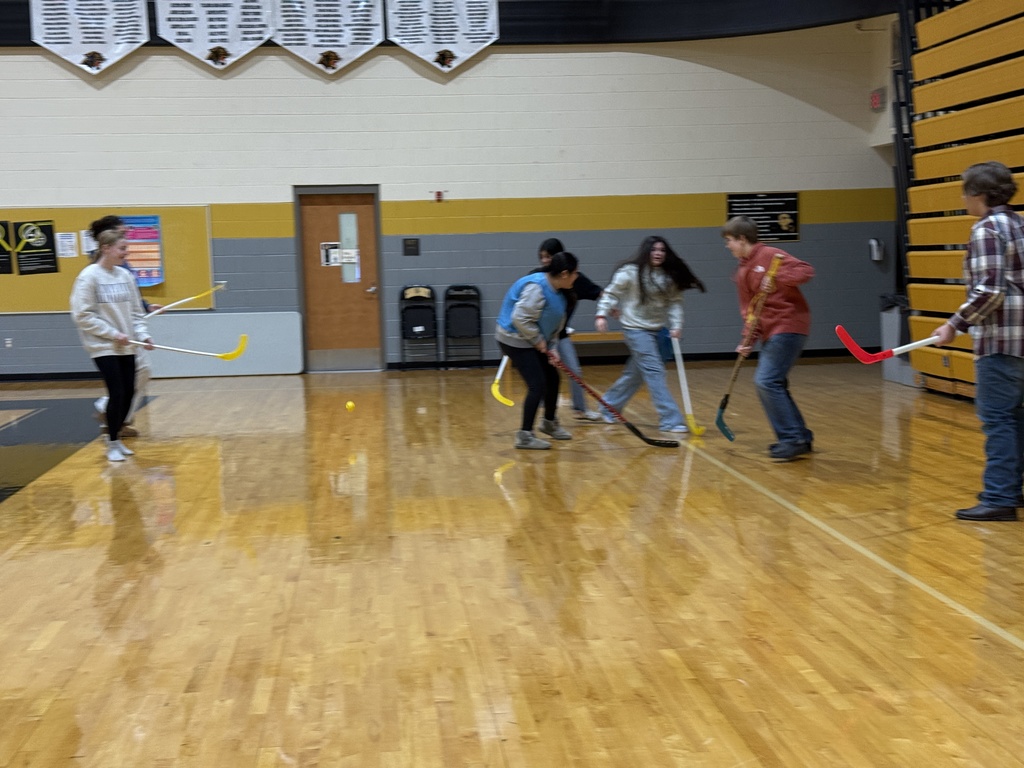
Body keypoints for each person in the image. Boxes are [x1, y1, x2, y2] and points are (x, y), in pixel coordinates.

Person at [931, 161, 1024, 522]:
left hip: (1000, 340)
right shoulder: (1019, 223)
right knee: (1016, 419)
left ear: (979, 195)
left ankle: (999, 496)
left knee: (998, 419)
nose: (962, 197)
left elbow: (991, 289)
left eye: (965, 190)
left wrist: (955, 324)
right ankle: (1012, 489)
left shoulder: (987, 228)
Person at [723, 215, 815, 461]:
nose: (727, 246)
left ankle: (791, 438)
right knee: (776, 383)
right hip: (770, 330)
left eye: (729, 240)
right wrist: (747, 341)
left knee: (766, 381)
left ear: (743, 239)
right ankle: (801, 436)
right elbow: (750, 312)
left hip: (788, 325)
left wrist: (778, 277)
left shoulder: (771, 256)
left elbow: (806, 271)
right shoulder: (742, 270)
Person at [594, 235, 704, 433]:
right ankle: (670, 420)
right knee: (654, 371)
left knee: (635, 374)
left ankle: (608, 406)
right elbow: (612, 294)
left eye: (662, 250)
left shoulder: (668, 276)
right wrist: (601, 314)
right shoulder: (630, 272)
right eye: (654, 250)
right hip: (635, 330)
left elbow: (675, 302)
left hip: (657, 330)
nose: (658, 254)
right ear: (646, 252)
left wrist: (677, 325)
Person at [70, 228, 154, 462]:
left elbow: (137, 313)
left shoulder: (125, 276)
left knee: (128, 392)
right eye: (122, 248)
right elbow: (82, 316)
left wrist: (143, 335)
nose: (125, 253)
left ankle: (116, 436)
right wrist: (112, 333)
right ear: (106, 248)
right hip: (103, 346)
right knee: (116, 392)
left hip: (127, 344)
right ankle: (112, 442)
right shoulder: (89, 277)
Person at [496, 251, 580, 450]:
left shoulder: (560, 293)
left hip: (532, 339)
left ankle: (549, 423)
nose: (578, 277)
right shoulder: (537, 288)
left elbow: (553, 326)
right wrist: (538, 341)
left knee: (553, 378)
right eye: (576, 273)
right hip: (513, 339)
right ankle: (524, 435)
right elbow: (520, 318)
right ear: (565, 273)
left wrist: (552, 348)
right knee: (538, 385)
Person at [88, 216, 162, 435]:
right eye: (122, 233)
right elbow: (86, 313)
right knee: (128, 381)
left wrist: (145, 306)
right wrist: (113, 332)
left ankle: (118, 421)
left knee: (139, 374)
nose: (126, 238)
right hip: (112, 338)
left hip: (128, 331)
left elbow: (129, 296)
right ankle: (111, 415)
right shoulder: (96, 270)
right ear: (107, 243)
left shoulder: (121, 266)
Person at [532, 238, 603, 421]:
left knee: (574, 371)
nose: (545, 261)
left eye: (548, 257)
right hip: (536, 336)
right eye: (542, 257)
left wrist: (608, 308)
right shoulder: (537, 278)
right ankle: (541, 411)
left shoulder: (574, 277)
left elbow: (599, 293)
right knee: (542, 376)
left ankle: (580, 409)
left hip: (559, 335)